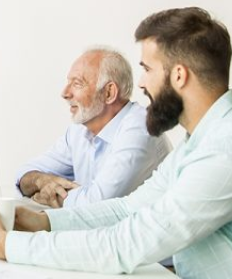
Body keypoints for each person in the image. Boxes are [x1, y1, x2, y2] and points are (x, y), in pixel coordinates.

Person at [0, 7, 232, 277]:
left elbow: (126, 246)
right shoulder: (204, 139)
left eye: (147, 69)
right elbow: (128, 209)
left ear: (179, 75)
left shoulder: (231, 150)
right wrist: (43, 221)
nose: (142, 83)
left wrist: (8, 246)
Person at [17, 48, 171, 208]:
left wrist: (48, 195)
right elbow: (23, 175)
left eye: (77, 84)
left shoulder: (140, 127)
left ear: (109, 92)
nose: (65, 93)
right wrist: (41, 180)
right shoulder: (79, 130)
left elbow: (95, 206)